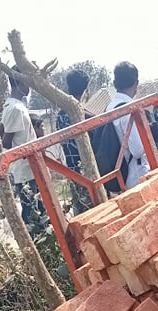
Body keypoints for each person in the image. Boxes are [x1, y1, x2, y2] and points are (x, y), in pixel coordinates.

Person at [1, 75, 47, 234]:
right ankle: (33, 243)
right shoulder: (15, 109)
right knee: (32, 213)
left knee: (38, 209)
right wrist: (25, 150)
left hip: (29, 167)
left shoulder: (14, 105)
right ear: (19, 82)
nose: (30, 86)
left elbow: (2, 130)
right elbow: (6, 141)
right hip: (25, 168)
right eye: (27, 82)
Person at [107, 61, 150, 189]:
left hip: (120, 174)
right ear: (136, 83)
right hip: (136, 175)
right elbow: (137, 150)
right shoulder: (129, 109)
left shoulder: (110, 107)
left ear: (115, 84)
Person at [56, 68, 91, 213]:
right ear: (85, 90)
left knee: (79, 209)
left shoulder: (60, 115)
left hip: (72, 171)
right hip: (88, 171)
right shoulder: (84, 115)